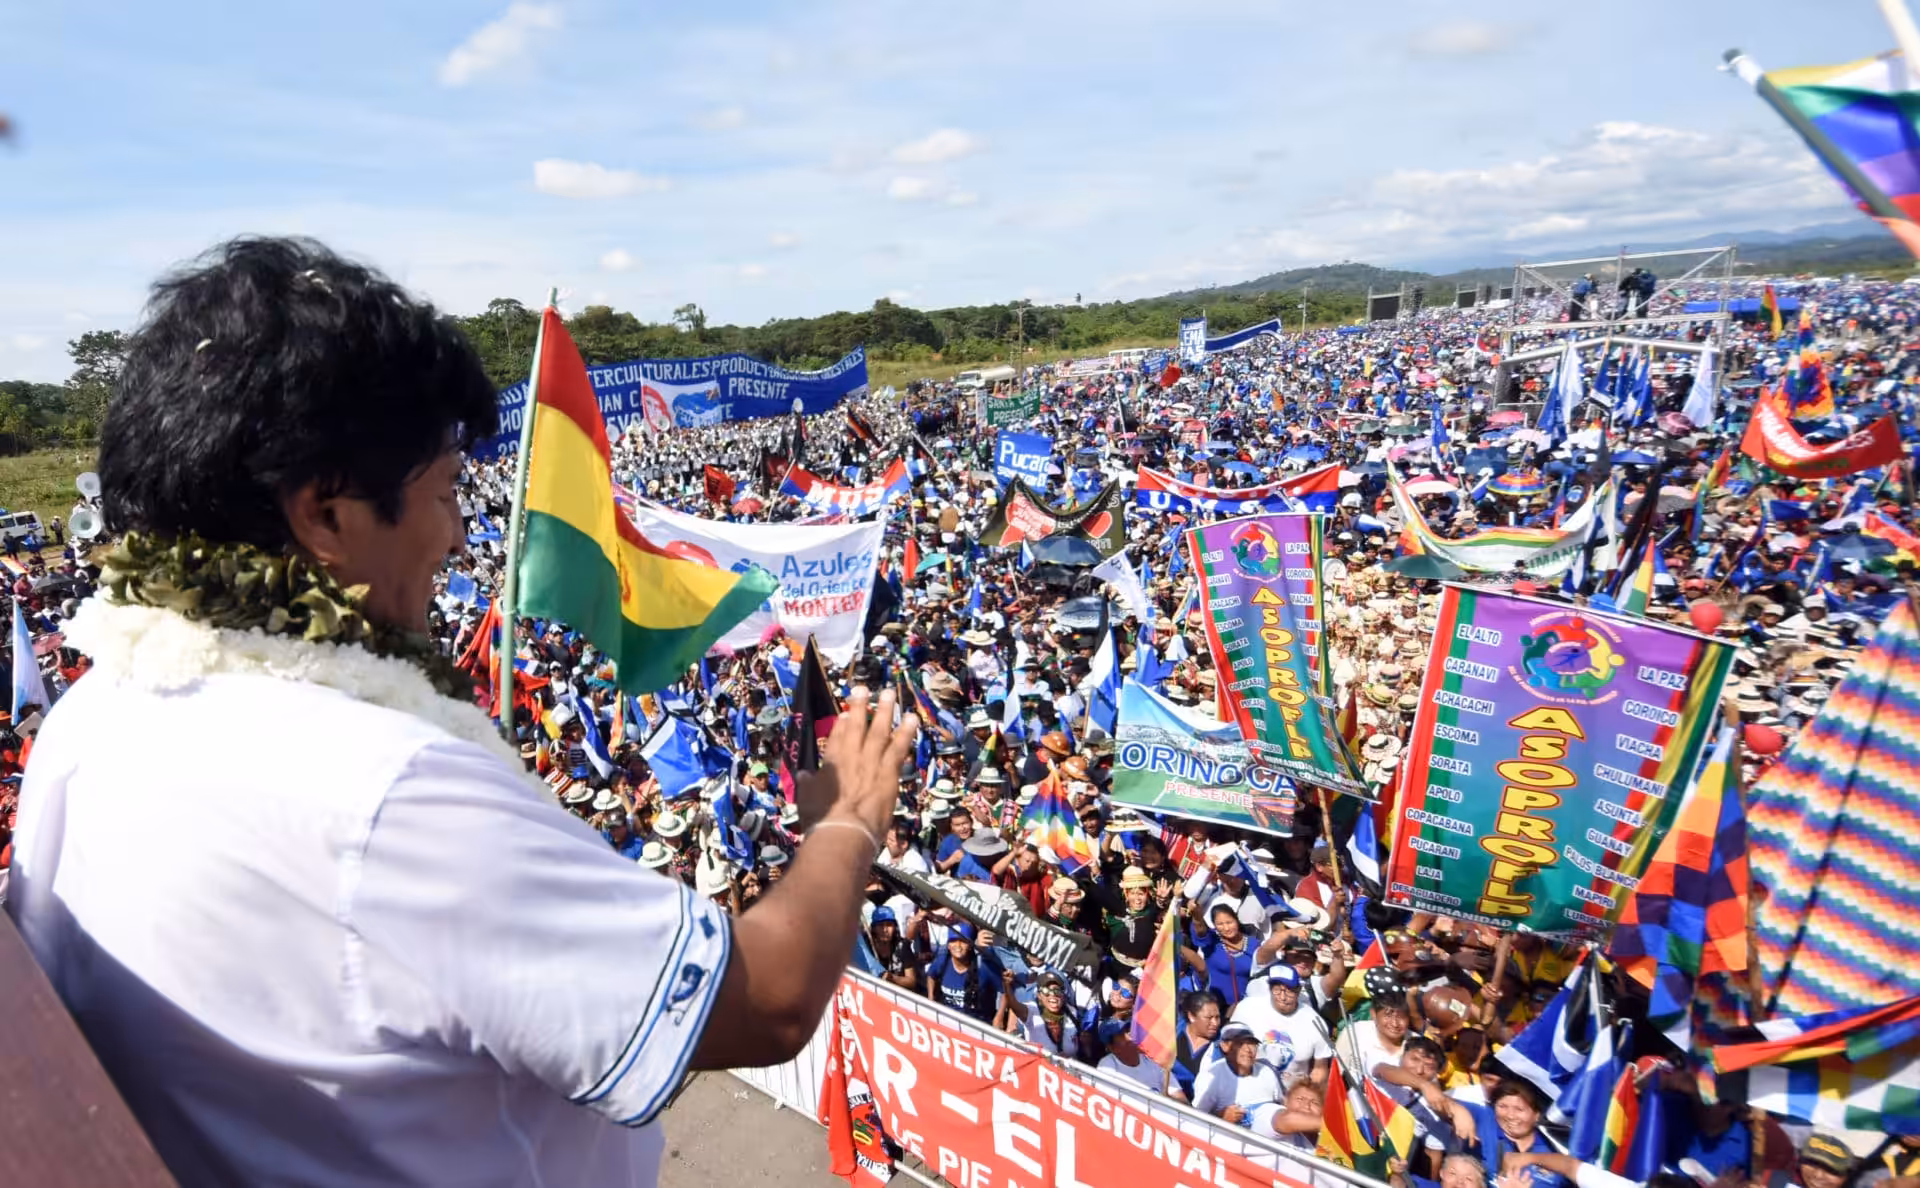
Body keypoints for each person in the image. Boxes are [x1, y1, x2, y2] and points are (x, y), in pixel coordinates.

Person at [7, 236, 921, 1187]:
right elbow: (768, 999)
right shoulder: (382, 793)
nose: (453, 536)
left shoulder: (87, 720)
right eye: (443, 492)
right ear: (325, 514)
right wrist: (848, 819)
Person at [1227, 964, 1332, 1088]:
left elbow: (1319, 1070)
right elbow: (1228, 1049)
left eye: (1289, 991)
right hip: (1250, 1089)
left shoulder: (1314, 1022)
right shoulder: (1247, 1009)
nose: (1282, 997)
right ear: (1270, 988)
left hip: (1291, 1097)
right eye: (1277, 990)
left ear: (1298, 991)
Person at [1192, 1022, 1283, 1128]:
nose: (1248, 1049)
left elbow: (1282, 1105)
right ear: (1224, 1046)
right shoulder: (1211, 1076)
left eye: (1251, 1043)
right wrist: (1220, 1118)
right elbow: (1194, 1120)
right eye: (1240, 1044)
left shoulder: (1266, 1072)